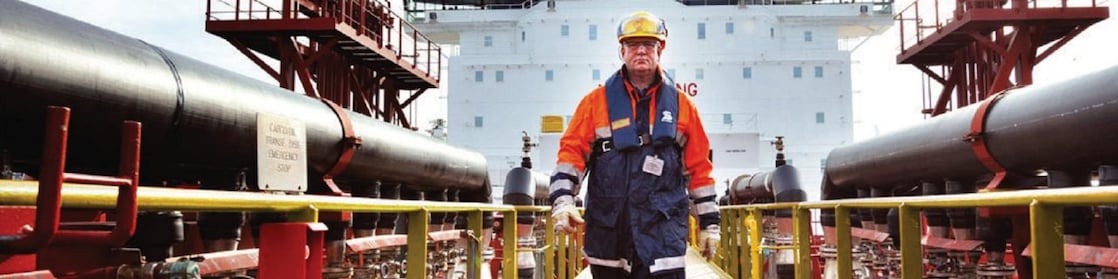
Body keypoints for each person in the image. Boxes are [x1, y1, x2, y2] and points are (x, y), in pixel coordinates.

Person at [548, 11, 721, 279]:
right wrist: (563, 201)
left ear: (660, 50)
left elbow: (699, 169)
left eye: (649, 45)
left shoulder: (683, 107)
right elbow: (571, 154)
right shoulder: (594, 103)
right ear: (622, 51)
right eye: (632, 45)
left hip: (663, 236)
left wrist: (710, 224)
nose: (641, 51)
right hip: (610, 234)